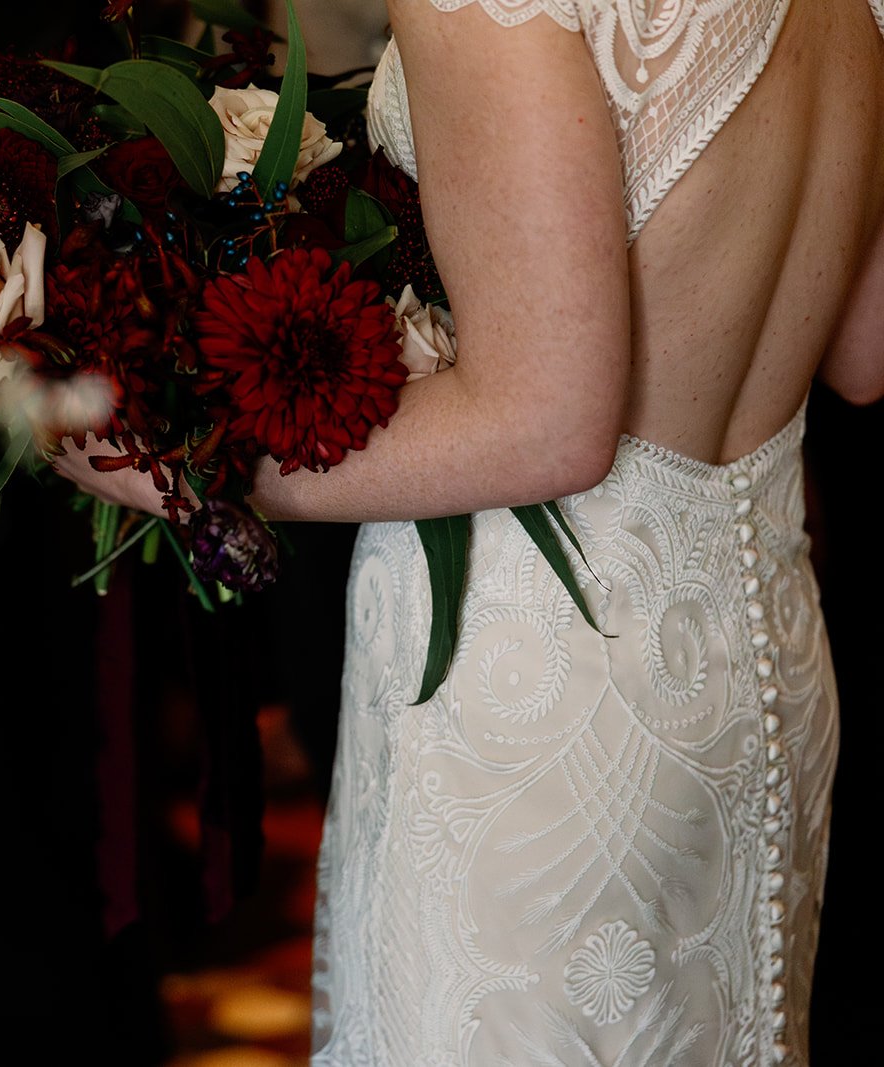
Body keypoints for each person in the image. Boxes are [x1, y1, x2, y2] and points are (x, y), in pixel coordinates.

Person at [55, 0, 884, 1061]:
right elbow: (863, 351)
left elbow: (545, 425)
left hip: (538, 683)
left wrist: (169, 464)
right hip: (761, 650)